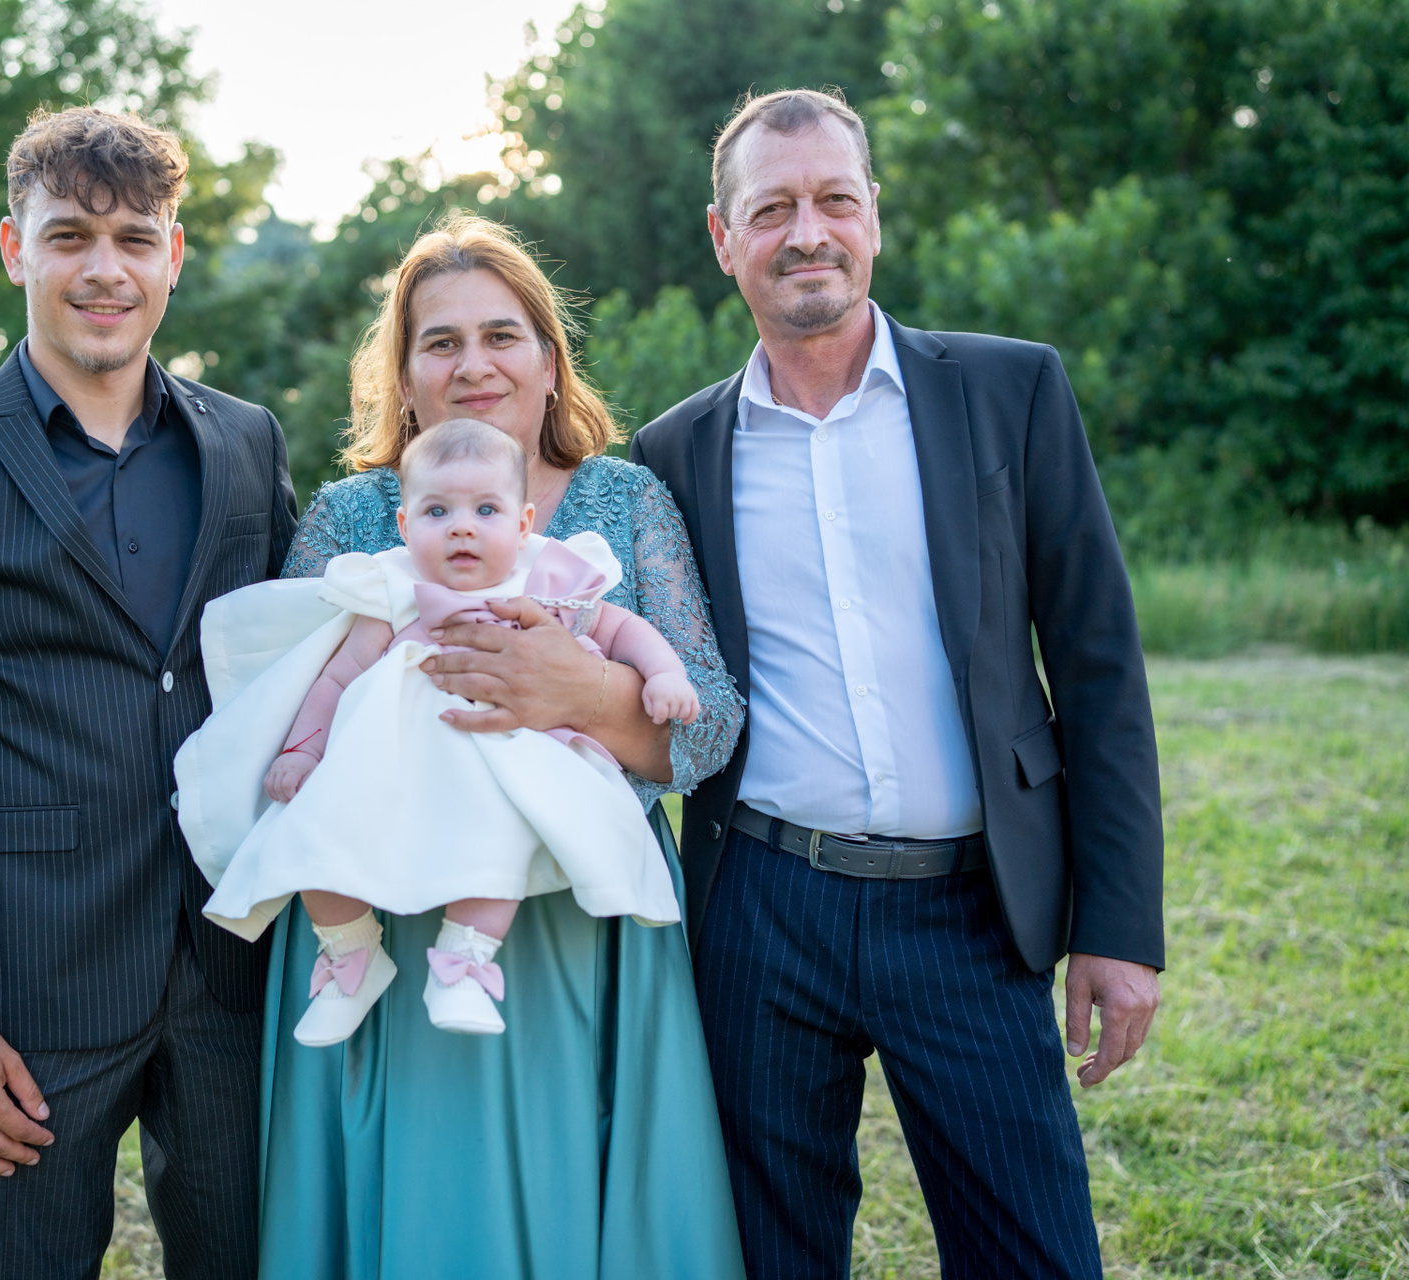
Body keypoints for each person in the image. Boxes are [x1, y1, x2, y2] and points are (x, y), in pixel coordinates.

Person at [629, 89, 1165, 1279]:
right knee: (772, 1256)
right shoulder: (674, 452)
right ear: (724, 239)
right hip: (761, 903)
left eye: (833, 199)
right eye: (772, 209)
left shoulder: (1011, 391)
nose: (806, 232)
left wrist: (1120, 926)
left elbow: (1098, 665)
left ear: (874, 214)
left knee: (1035, 1256)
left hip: (972, 905)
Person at [0, 106, 296, 1279]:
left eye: (135, 239)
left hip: (235, 972)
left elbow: (301, 670)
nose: (104, 269)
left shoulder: (248, 444)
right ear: (14, 248)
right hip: (25, 991)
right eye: (70, 235)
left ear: (173, 256)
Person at [254, 215, 749, 1279]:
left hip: (576, 916)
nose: (473, 364)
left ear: (549, 360)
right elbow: (287, 702)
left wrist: (586, 692)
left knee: (565, 1193)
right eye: (441, 341)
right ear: (404, 376)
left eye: (501, 336)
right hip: (382, 906)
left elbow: (707, 723)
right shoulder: (351, 517)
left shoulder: (625, 500)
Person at [177, 418, 694, 1046]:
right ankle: (350, 953)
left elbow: (621, 630)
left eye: (486, 509)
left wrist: (664, 673)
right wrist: (303, 750)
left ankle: (466, 964)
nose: (462, 527)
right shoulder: (394, 589)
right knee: (312, 836)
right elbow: (336, 677)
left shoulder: (546, 581)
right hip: (390, 770)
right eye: (437, 511)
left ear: (524, 523)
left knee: (497, 851)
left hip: (504, 768)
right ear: (404, 525)